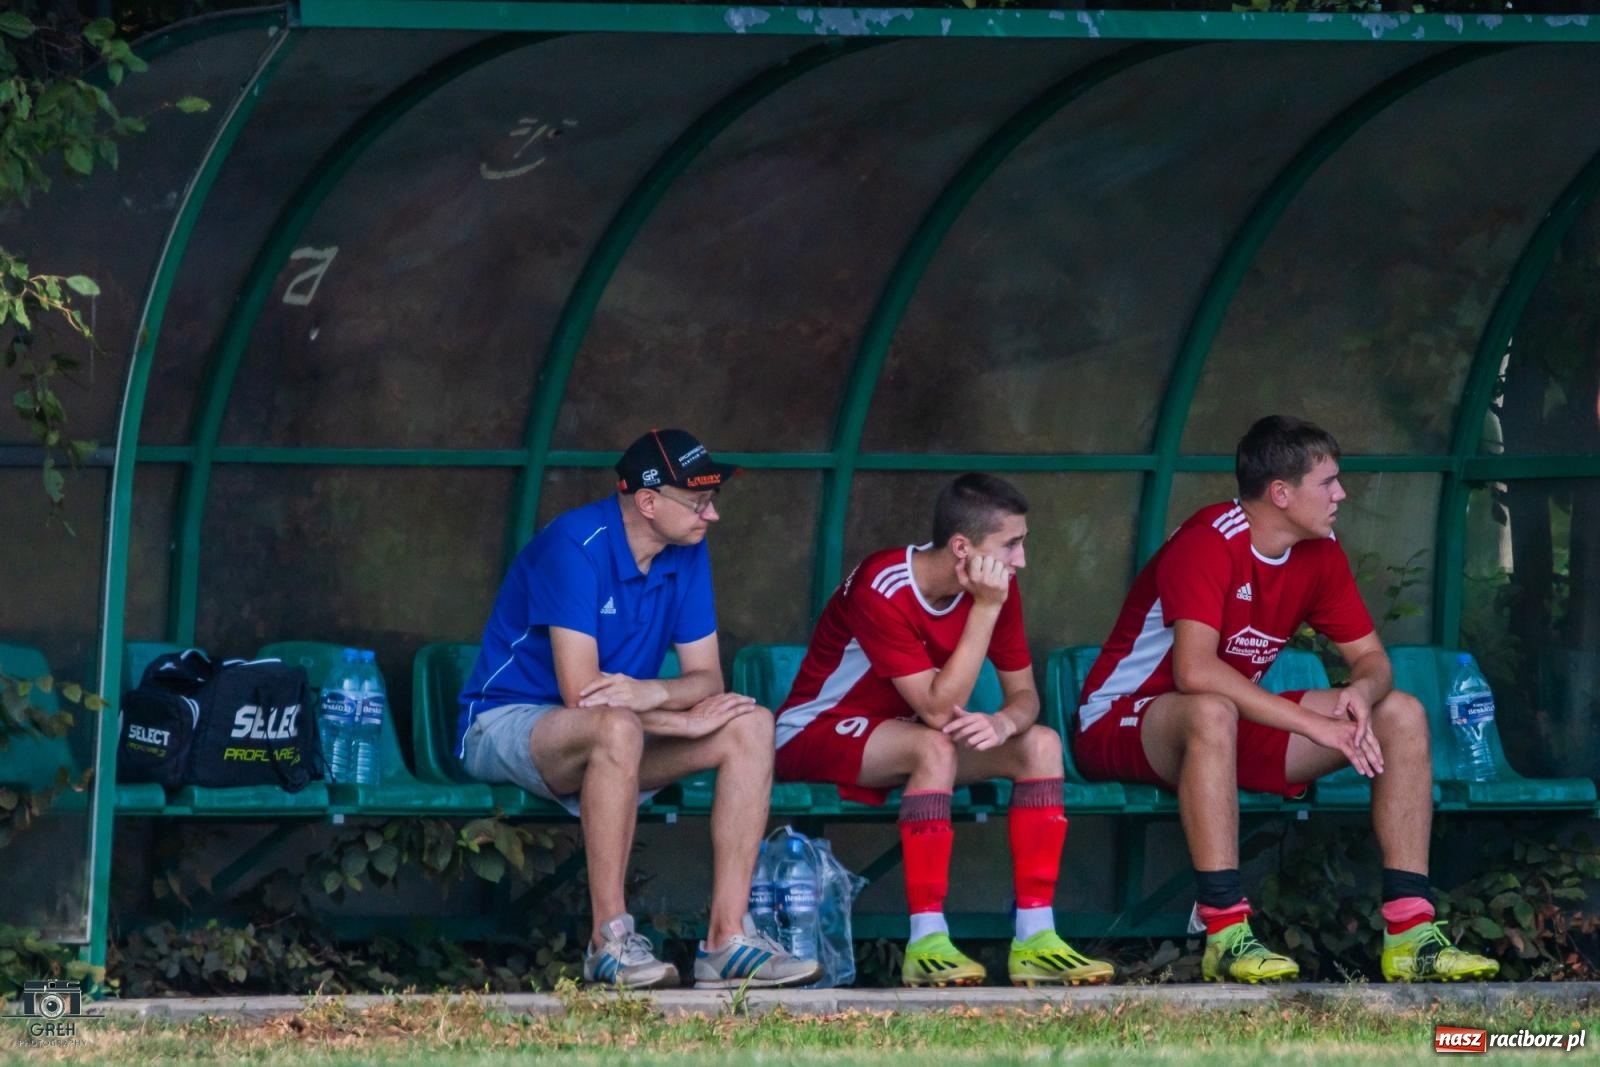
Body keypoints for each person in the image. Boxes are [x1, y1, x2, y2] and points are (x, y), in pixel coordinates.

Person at [1075, 415, 1499, 983]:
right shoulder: (1207, 542)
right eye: (1328, 482)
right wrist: (1312, 724)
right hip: (1122, 720)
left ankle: (1410, 933)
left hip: (1223, 725)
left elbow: (1373, 660)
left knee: (1400, 713)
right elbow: (1194, 671)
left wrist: (1360, 692)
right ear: (1281, 493)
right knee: (1211, 709)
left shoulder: (1319, 552)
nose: (1341, 494)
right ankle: (1225, 932)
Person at [457, 428, 820, 990]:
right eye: (699, 502)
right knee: (616, 726)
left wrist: (654, 693)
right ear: (648, 502)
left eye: (712, 500)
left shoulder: (687, 549)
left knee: (751, 724)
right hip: (506, 723)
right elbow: (583, 694)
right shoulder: (574, 544)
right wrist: (678, 719)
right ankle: (609, 942)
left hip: (619, 731)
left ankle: (727, 940)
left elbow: (707, 678)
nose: (712, 515)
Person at [774, 474, 1114, 988]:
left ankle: (1036, 937)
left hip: (906, 736)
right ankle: (928, 942)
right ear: (962, 548)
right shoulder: (882, 585)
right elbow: (936, 710)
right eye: (1011, 544)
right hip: (814, 731)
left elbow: (1025, 697)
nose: (1021, 560)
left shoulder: (998, 589)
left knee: (1041, 745)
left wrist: (1002, 722)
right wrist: (985, 608)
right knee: (934, 745)